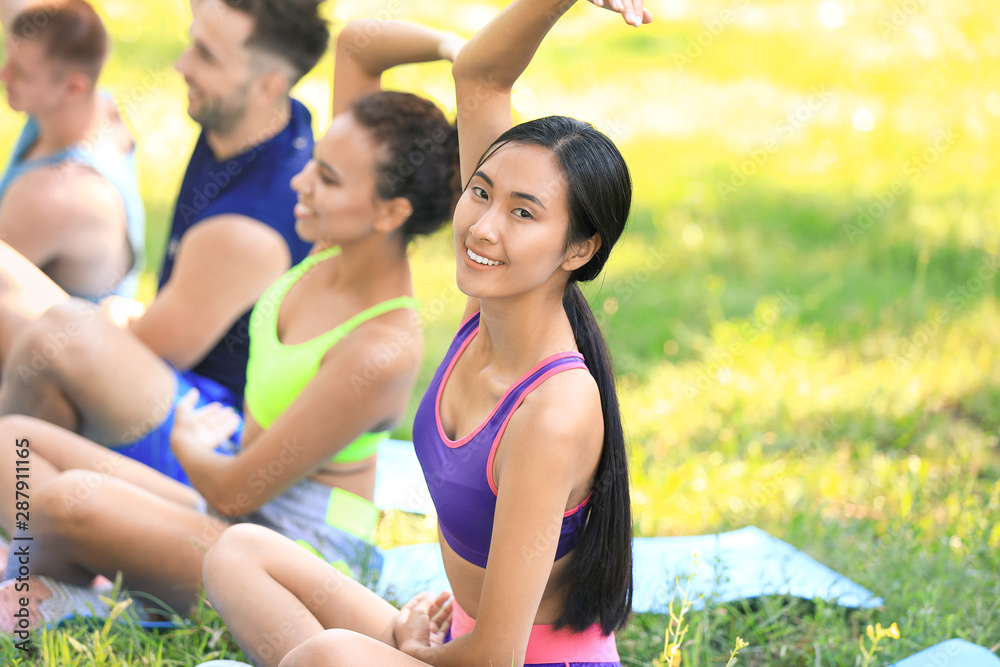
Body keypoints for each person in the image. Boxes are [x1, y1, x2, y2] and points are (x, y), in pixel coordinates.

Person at [201, 1, 652, 665]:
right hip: (451, 639)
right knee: (240, 552)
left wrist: (409, 651)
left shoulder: (553, 411)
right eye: (481, 193)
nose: (484, 227)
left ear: (579, 249)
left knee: (329, 655)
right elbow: (480, 78)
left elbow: (497, 654)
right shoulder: (484, 321)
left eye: (523, 213)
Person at [0, 17, 461, 631]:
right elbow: (356, 44)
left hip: (290, 561)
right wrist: (462, 53)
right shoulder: (334, 245)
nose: (301, 181)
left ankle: (65, 590)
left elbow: (237, 494)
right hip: (227, 502)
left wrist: (188, 442)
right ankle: (53, 580)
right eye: (314, 163)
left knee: (60, 498)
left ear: (390, 211)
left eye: (326, 177)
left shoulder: (383, 345)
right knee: (13, 446)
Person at [0, 0, 327, 484]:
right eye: (192, 43)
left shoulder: (246, 229)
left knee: (56, 336)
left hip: (209, 431)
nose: (182, 65)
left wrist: (107, 317)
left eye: (207, 57)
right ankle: (29, 510)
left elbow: (152, 349)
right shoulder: (261, 117)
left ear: (268, 85)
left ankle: (23, 504)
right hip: (170, 375)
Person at [0, 0, 145, 300]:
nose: (4, 75)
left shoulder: (56, 196)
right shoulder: (93, 109)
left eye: (21, 73)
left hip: (51, 343)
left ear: (73, 88)